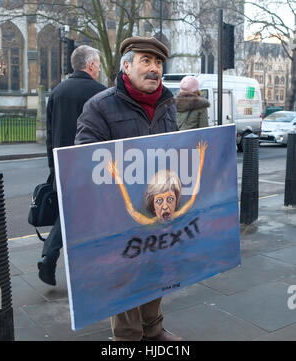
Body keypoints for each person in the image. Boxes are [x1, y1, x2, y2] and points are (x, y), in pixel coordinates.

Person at [75, 36, 183, 341]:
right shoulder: (100, 106)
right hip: (118, 212)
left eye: (158, 62)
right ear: (126, 66)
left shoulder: (168, 105)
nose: (154, 69)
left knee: (155, 266)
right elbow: (85, 158)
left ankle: (154, 329)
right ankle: (126, 337)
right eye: (145, 61)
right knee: (124, 275)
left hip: (156, 208)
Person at [37, 45, 106, 286]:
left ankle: (49, 257)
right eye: (97, 65)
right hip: (92, 166)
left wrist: (52, 166)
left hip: (62, 165)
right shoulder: (101, 93)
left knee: (69, 214)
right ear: (90, 66)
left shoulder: (57, 92)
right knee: (89, 216)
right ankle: (82, 267)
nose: (98, 69)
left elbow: (49, 133)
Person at [107, 140, 207, 225]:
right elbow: (131, 210)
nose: (165, 206)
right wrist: (118, 178)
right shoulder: (152, 223)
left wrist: (201, 161)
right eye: (159, 201)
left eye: (170, 199)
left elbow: (193, 198)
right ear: (153, 207)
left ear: (176, 201)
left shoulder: (177, 215)